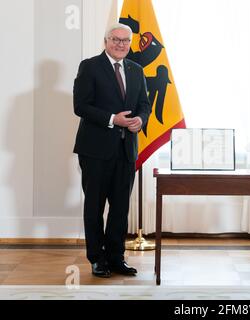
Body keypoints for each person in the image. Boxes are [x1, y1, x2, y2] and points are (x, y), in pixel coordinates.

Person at [73, 23, 151, 278]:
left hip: (126, 149)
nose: (120, 44)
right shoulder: (90, 66)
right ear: (106, 41)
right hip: (95, 150)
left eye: (125, 41)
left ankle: (116, 257)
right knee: (94, 206)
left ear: (130, 43)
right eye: (115, 40)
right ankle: (97, 259)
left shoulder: (136, 70)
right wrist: (111, 119)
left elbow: (144, 104)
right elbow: (80, 106)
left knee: (120, 207)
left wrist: (141, 119)